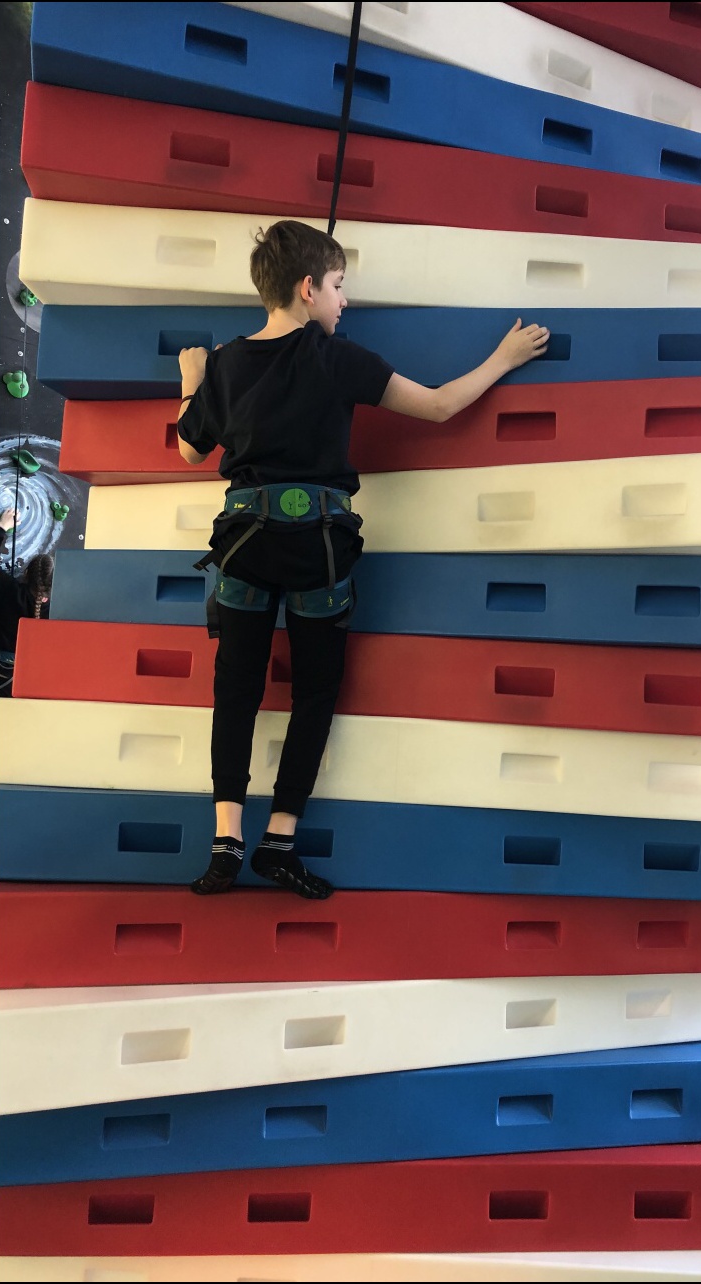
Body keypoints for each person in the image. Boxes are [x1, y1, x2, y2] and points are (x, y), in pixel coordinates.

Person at [177, 219, 548, 900]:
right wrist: (503, 357)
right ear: (307, 288)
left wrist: (191, 380)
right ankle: (278, 841)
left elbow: (189, 449)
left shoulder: (226, 362)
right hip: (318, 549)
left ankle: (225, 842)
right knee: (315, 693)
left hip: (245, 545)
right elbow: (438, 406)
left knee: (236, 691)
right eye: (339, 286)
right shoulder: (335, 357)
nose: (344, 301)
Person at [0, 507, 54, 696]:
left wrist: (2, 527)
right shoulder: (59, 611)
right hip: (28, 678)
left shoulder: (8, 590)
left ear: (26, 573)